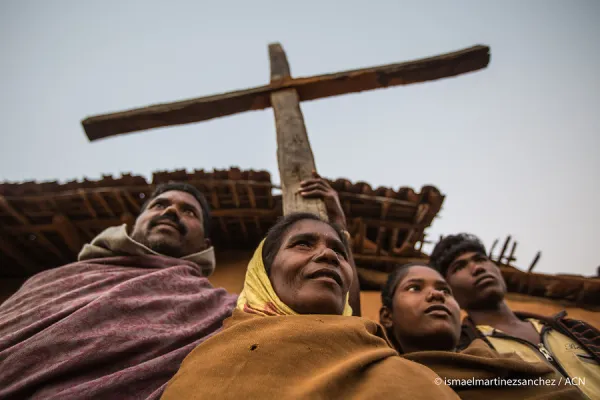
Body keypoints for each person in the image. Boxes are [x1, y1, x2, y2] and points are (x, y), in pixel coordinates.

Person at [0, 176, 355, 400]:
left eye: (188, 212)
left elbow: (332, 315)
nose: (171, 212)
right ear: (134, 221)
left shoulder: (220, 308)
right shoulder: (51, 280)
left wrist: (338, 231)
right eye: (160, 205)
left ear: (206, 240)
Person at [161, 213, 459, 400]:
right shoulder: (211, 361)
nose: (328, 255)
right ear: (262, 273)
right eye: (303, 244)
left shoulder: (389, 360)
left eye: (339, 252)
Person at [429, 233, 600, 400]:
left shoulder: (575, 329)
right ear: (447, 290)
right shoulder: (464, 353)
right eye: (459, 267)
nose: (477, 268)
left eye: (480, 259)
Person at [379, 263, 585, 399]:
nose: (436, 295)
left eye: (445, 290)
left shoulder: (518, 371)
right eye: (414, 287)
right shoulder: (379, 382)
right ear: (387, 316)